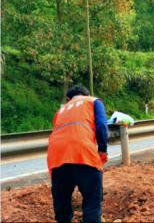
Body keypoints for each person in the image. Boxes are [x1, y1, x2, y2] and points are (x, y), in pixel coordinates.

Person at [47, 85, 108, 223]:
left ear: (69, 99)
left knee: (62, 205)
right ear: (87, 94)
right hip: (83, 154)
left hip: (56, 158)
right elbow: (102, 125)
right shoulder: (93, 101)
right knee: (92, 204)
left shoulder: (61, 110)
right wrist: (102, 149)